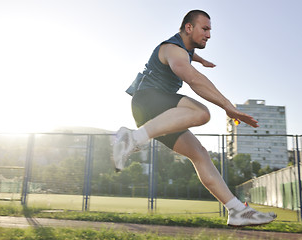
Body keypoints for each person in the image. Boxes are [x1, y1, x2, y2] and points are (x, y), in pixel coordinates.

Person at [113, 10, 276, 227]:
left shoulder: (185, 50)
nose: (209, 35)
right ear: (189, 28)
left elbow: (191, 56)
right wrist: (228, 107)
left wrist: (201, 59)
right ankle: (133, 138)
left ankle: (237, 211)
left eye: (210, 30)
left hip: (159, 113)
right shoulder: (172, 49)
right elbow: (193, 78)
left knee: (200, 154)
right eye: (205, 29)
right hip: (149, 100)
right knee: (201, 113)